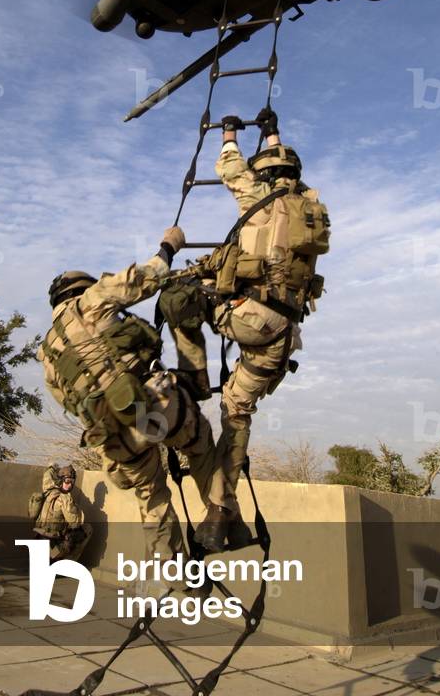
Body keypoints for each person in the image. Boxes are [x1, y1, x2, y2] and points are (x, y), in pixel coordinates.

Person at [168, 108, 330, 550]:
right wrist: (272, 131)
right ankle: (223, 512)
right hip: (284, 337)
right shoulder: (311, 212)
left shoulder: (258, 202)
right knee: (236, 411)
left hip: (250, 320)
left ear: (266, 175)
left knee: (178, 297)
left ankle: (194, 376)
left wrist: (228, 133)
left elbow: (228, 167)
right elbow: (282, 166)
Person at [37, 228, 244, 566]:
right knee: (199, 442)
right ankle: (221, 517)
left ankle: (176, 571)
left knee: (151, 497)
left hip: (115, 440)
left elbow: (70, 403)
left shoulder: (47, 354)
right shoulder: (92, 300)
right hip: (154, 407)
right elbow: (151, 276)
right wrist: (169, 246)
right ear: (80, 289)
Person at [32, 463, 92, 563]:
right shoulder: (65, 499)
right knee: (86, 530)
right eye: (67, 481)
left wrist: (53, 466)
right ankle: (62, 564)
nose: (70, 485)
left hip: (38, 537)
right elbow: (75, 522)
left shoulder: (48, 489)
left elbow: (48, 474)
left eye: (72, 482)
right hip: (52, 540)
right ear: (61, 480)